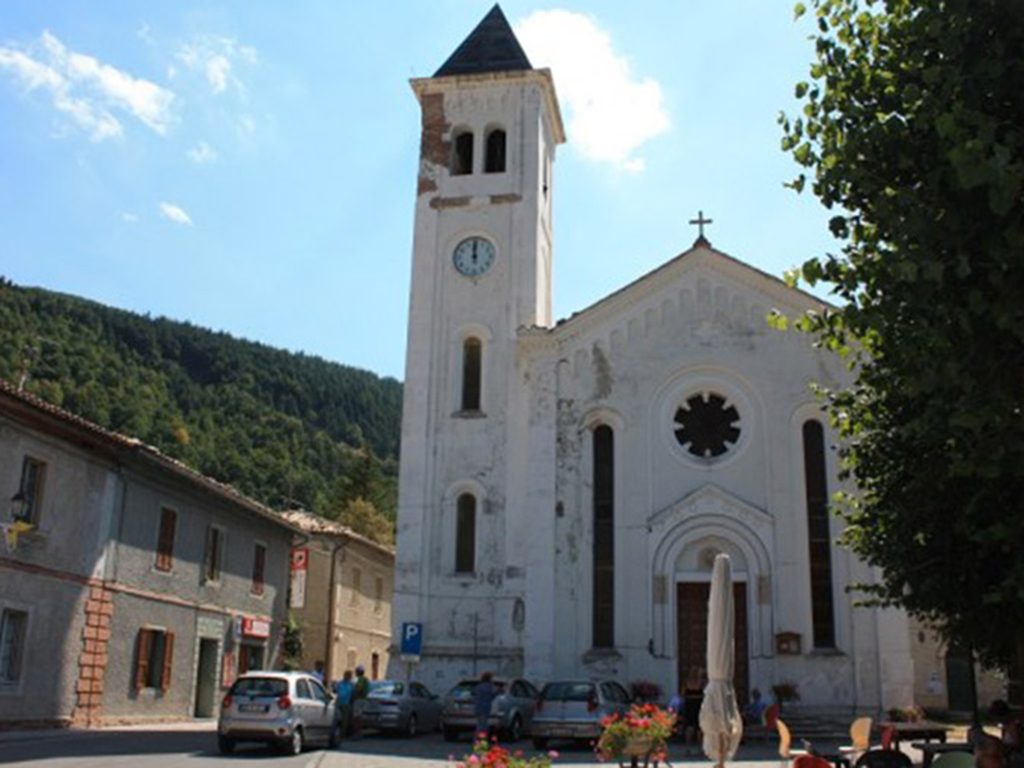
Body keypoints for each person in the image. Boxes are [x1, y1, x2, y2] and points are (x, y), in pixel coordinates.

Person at [682, 666, 705, 755]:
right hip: (698, 706)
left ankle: (688, 748)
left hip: (689, 706)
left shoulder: (687, 682)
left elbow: (682, 693)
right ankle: (701, 748)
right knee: (699, 728)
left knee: (689, 727)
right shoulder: (702, 683)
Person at [472, 671, 497, 739]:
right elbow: (493, 695)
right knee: (483, 726)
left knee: (479, 724)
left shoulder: (478, 686)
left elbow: (473, 693)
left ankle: (478, 740)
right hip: (485, 708)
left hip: (478, 708)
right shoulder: (489, 686)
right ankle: (481, 741)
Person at [334, 670, 355, 737]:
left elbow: (353, 694)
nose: (347, 677)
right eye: (346, 675)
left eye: (349, 676)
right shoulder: (340, 683)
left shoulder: (351, 685)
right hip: (338, 703)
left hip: (346, 704)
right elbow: (335, 691)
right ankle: (336, 732)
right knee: (336, 718)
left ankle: (343, 734)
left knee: (345, 720)